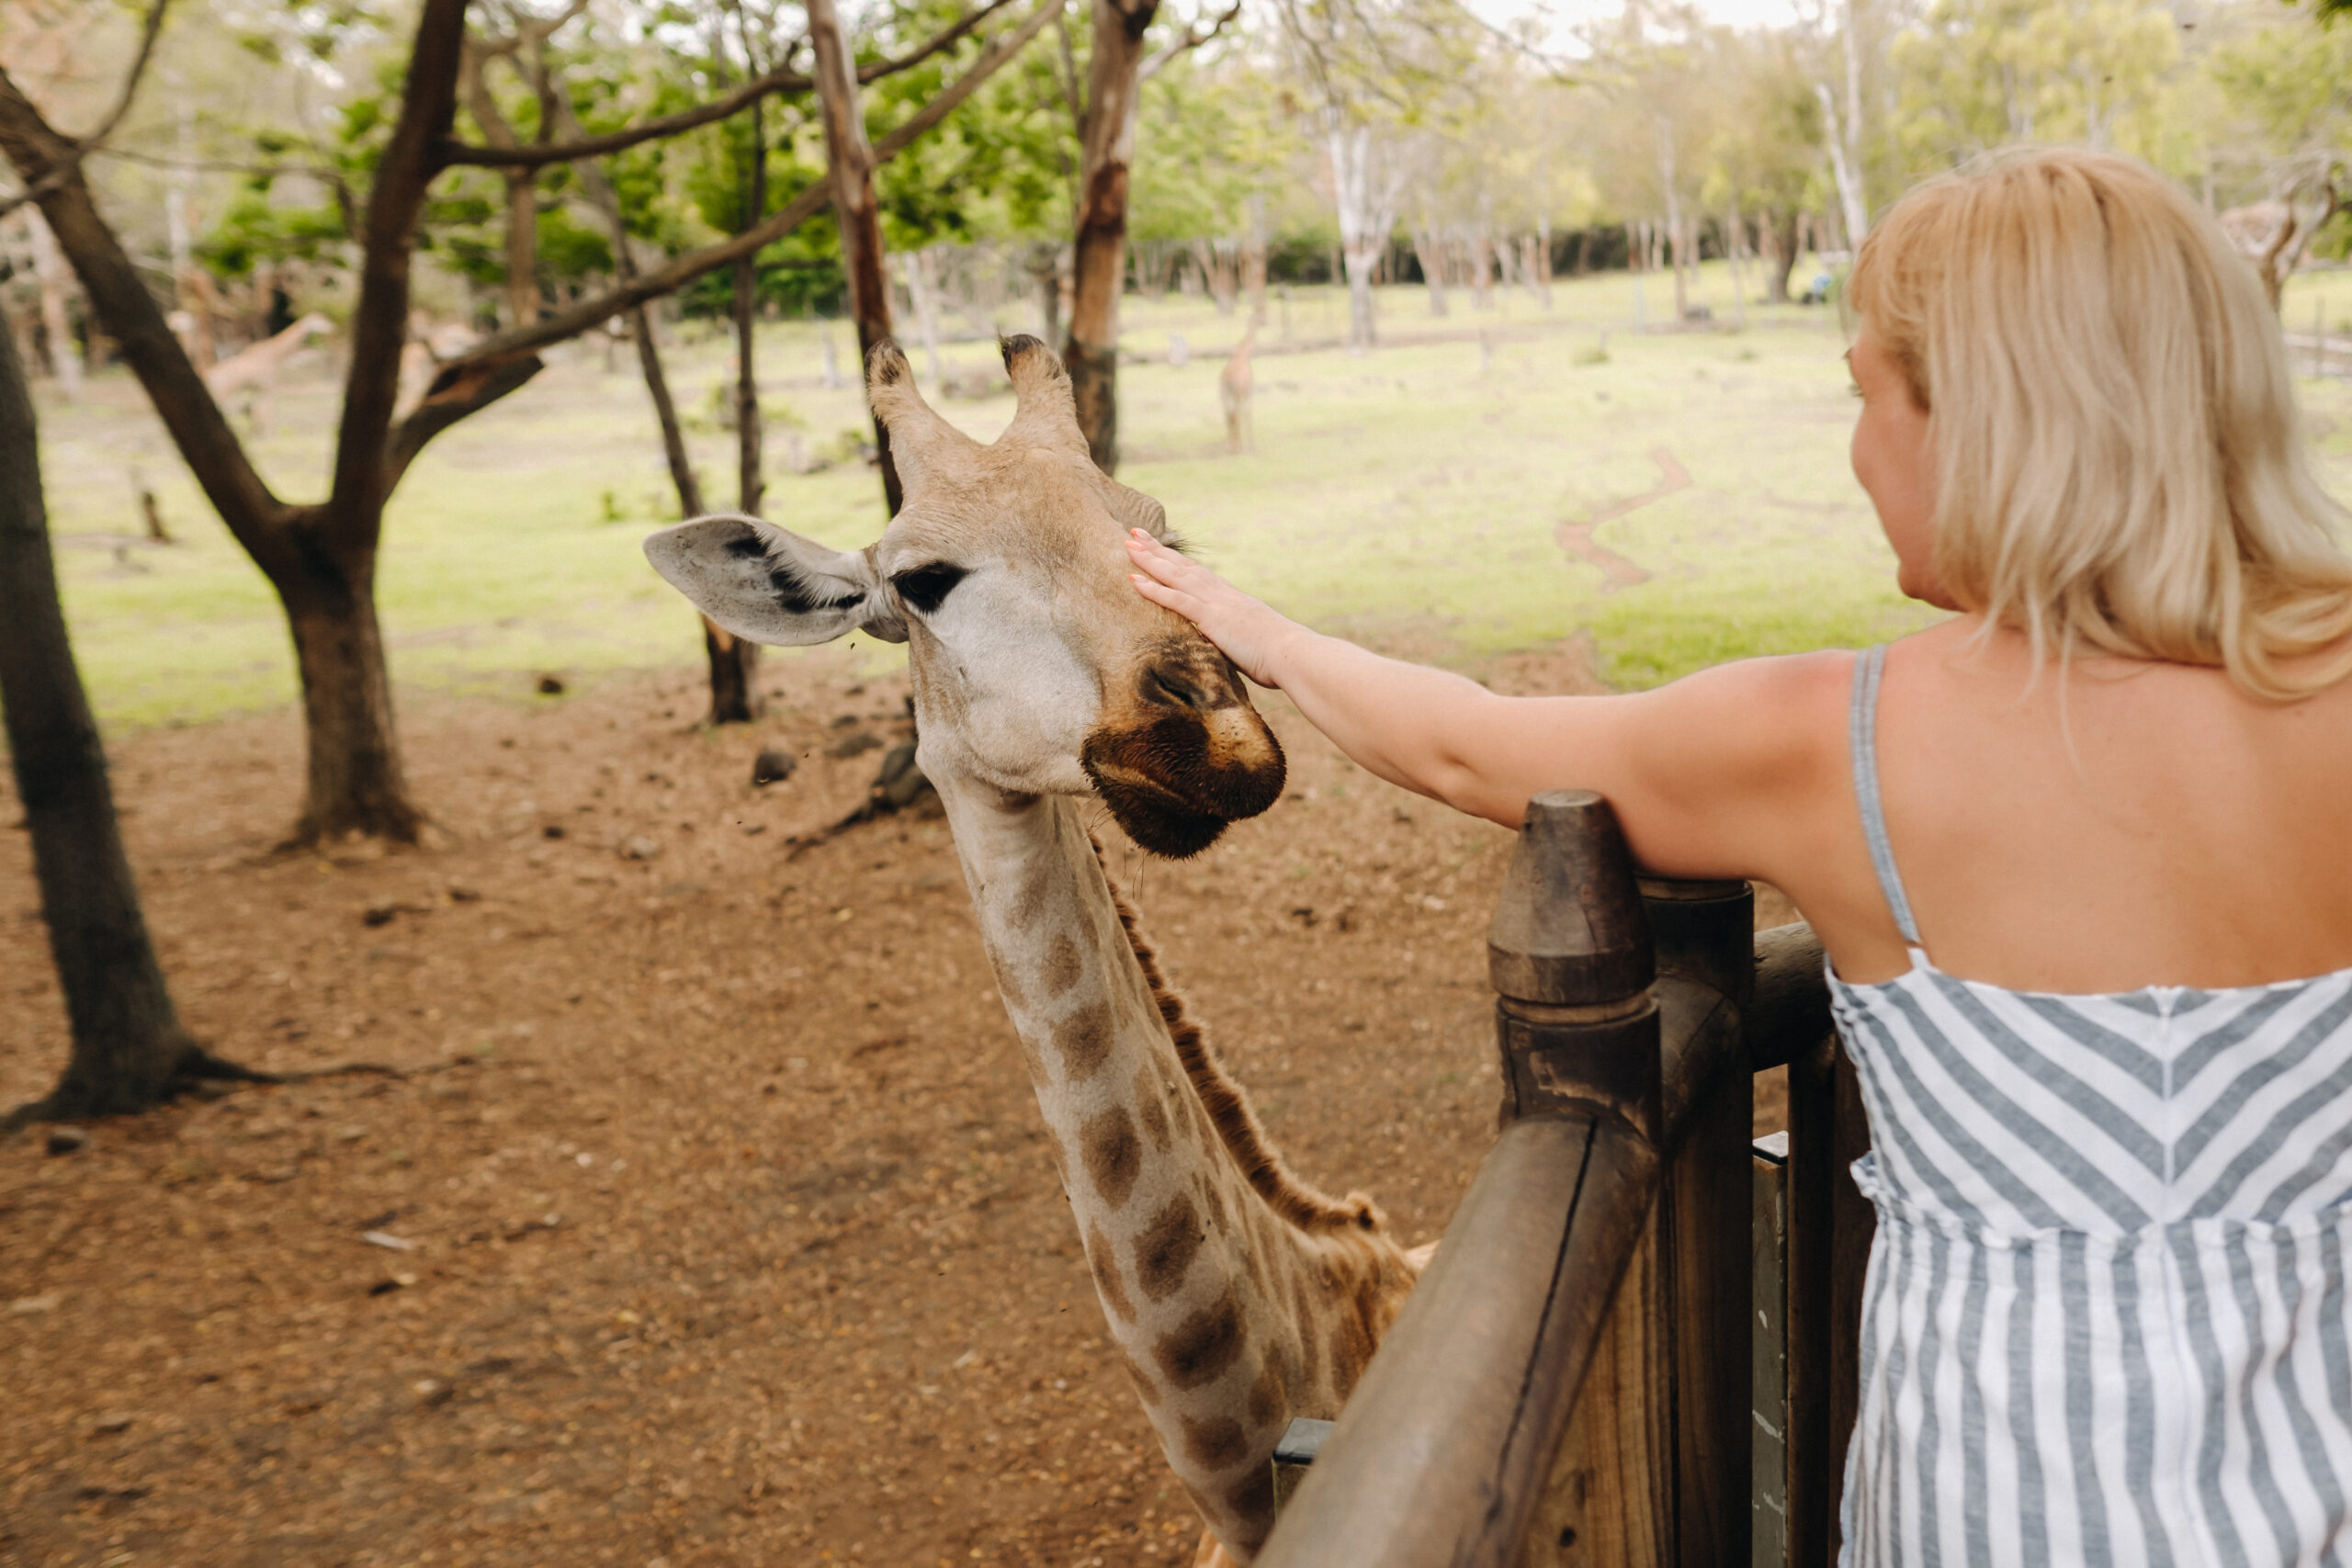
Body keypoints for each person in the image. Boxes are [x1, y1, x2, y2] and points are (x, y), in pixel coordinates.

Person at [1125, 147, 2352, 1566]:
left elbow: (1466, 746)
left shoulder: (1842, 742)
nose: (1858, 446)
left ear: (1983, 421)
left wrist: (1252, 628)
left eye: (1865, 392)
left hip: (2004, 1501)